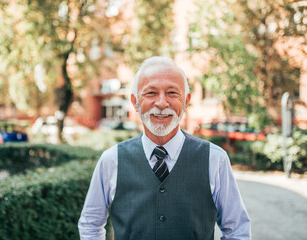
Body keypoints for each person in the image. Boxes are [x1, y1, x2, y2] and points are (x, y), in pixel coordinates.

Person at [78, 56, 251, 239]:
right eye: (151, 93)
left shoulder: (215, 159)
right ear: (135, 102)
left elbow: (237, 229)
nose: (161, 103)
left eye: (172, 93)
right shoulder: (111, 160)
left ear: (186, 101)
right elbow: (91, 223)